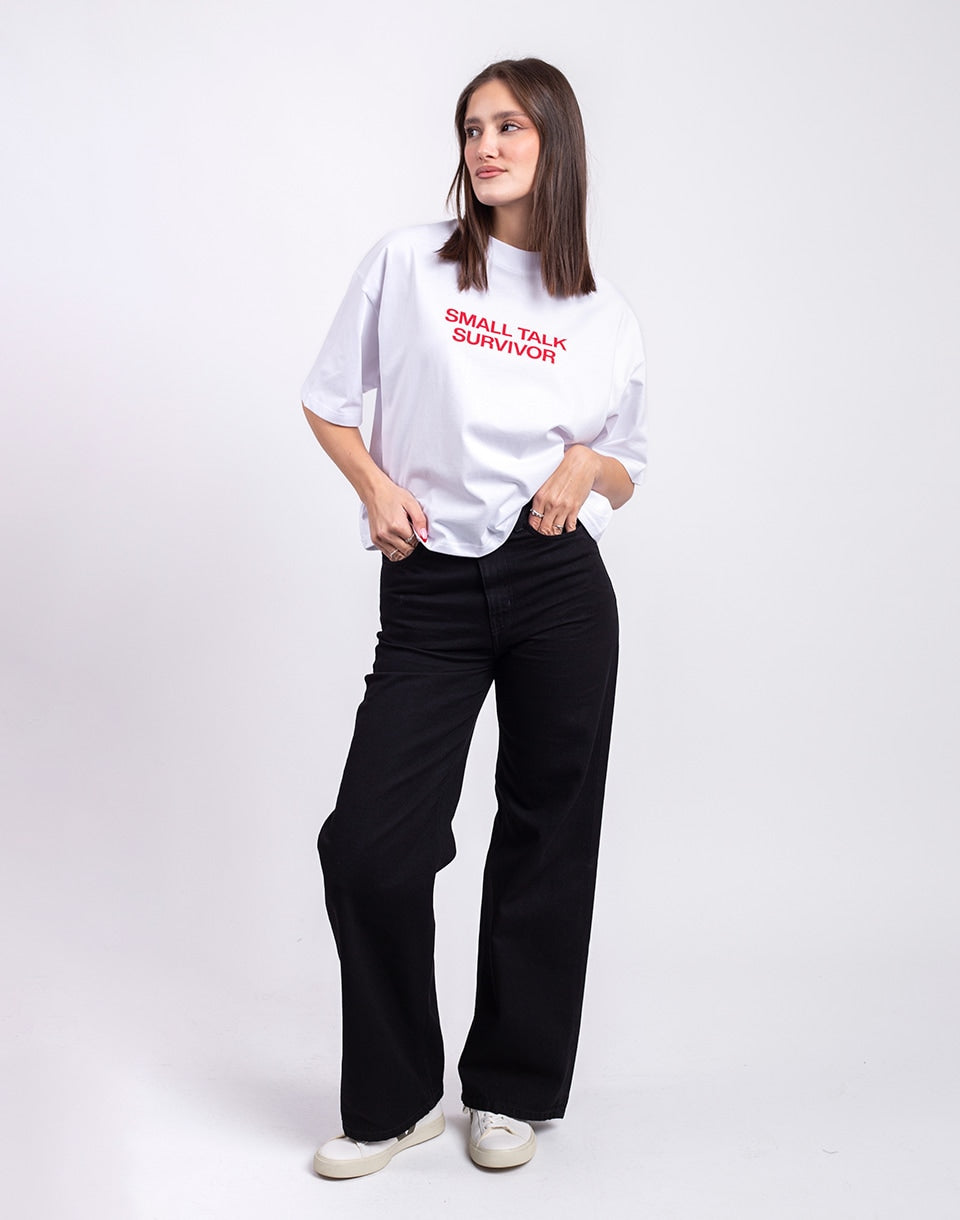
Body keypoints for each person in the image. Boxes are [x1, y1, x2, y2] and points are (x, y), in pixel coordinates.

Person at [300, 57, 646, 1178]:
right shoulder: (410, 264)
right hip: (433, 584)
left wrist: (586, 465)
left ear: (556, 140)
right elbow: (327, 400)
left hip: (557, 587)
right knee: (369, 847)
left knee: (548, 834)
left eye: (509, 126)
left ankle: (512, 1089)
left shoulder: (601, 314)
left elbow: (628, 467)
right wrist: (373, 487)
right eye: (471, 129)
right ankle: (397, 1098)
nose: (485, 146)